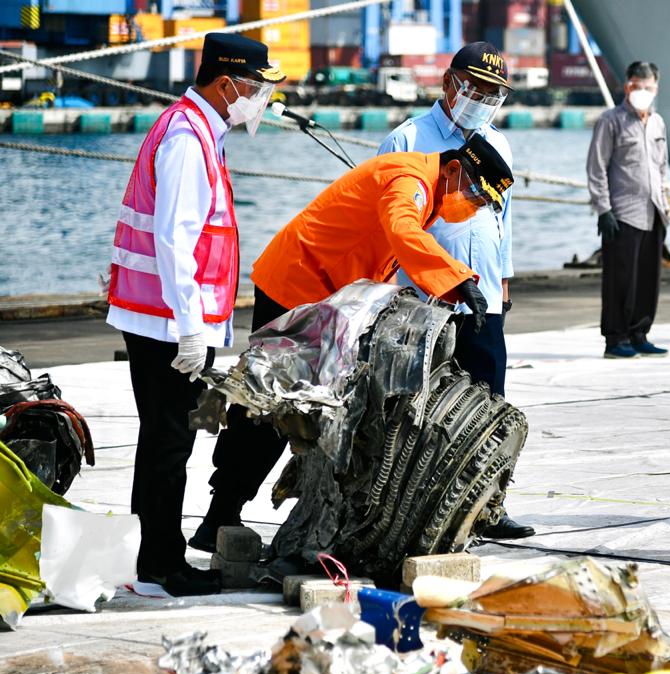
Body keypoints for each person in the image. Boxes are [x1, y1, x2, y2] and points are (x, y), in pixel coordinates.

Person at [188, 134, 513, 551]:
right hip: (298, 283)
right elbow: (402, 229)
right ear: (453, 170)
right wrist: (460, 280)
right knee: (272, 402)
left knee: (309, 406)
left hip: (328, 295)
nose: (471, 205)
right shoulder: (409, 179)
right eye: (473, 194)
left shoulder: (429, 190)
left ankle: (239, 513)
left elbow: (384, 255)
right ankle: (220, 516)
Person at [105, 32, 283, 596]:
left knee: (163, 440)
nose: (261, 101)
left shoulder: (200, 128)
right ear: (227, 84)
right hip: (167, 323)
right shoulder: (186, 137)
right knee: (170, 443)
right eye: (256, 89)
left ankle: (151, 554)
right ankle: (162, 563)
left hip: (164, 317)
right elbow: (174, 239)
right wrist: (189, 327)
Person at [376, 42, 533, 541]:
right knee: (420, 411)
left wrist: (502, 282)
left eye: (494, 93)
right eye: (476, 88)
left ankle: (488, 508)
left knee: (489, 405)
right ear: (449, 84)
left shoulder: (499, 144)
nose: (484, 99)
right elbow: (389, 227)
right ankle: (417, 512)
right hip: (423, 303)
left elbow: (503, 222)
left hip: (483, 297)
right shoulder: (408, 140)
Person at [586, 60, 670, 359]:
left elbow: (661, 167)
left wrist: (665, 202)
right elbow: (597, 167)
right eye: (637, 86)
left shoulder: (658, 123)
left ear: (655, 88)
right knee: (620, 281)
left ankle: (640, 333)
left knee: (648, 279)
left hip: (653, 211)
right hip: (622, 213)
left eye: (648, 87)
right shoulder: (611, 121)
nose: (642, 91)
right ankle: (615, 338)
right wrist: (603, 209)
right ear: (627, 86)